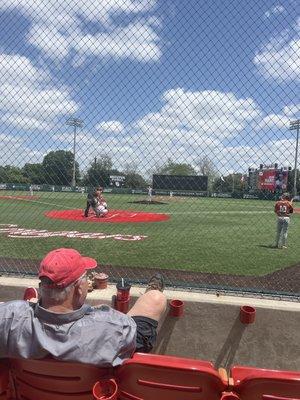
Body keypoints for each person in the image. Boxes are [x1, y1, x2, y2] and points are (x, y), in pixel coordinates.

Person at [0, 248, 166, 366]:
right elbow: (133, 334)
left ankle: (35, 302)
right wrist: (102, 314)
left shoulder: (9, 316)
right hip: (94, 381)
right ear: (79, 288)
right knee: (155, 298)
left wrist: (26, 309)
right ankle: (153, 290)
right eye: (86, 277)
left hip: (30, 391)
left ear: (42, 287)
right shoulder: (113, 326)